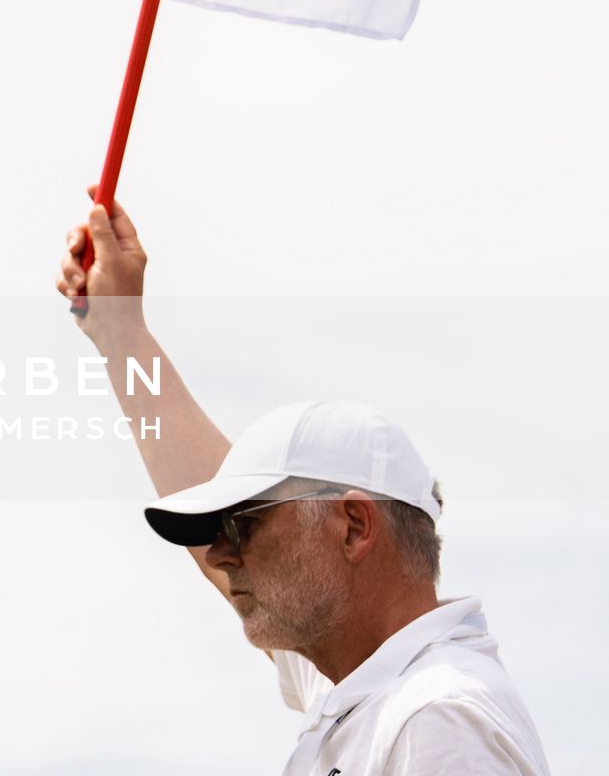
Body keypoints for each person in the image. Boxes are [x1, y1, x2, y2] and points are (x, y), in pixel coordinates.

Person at [56, 193, 549, 775]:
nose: (219, 552)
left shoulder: (435, 717)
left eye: (245, 524)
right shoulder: (380, 688)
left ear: (354, 526)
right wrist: (121, 335)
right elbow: (204, 487)